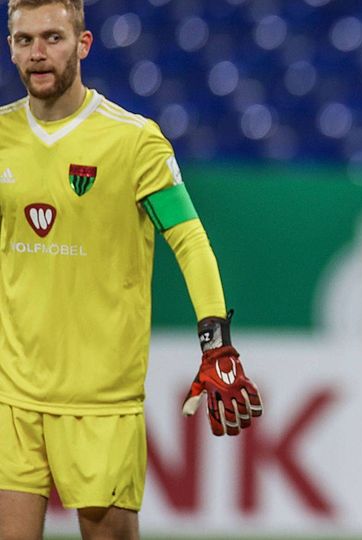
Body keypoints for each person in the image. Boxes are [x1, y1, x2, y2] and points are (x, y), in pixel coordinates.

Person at [0, 1, 262, 538]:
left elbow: (189, 240)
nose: (38, 52)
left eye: (52, 37)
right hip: (11, 394)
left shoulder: (134, 140)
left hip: (101, 400)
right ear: (11, 48)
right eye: (25, 40)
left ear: (83, 44)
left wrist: (216, 344)